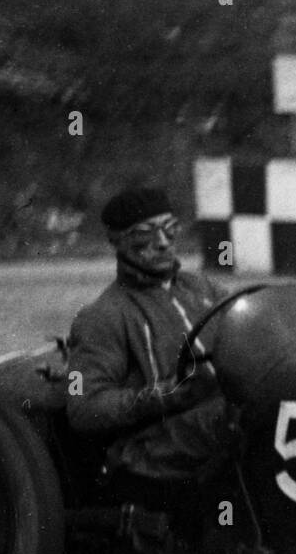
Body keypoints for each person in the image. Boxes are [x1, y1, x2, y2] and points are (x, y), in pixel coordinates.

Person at [66, 186, 232, 485]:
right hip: (150, 445)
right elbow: (83, 407)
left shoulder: (204, 289)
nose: (163, 243)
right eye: (145, 235)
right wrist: (158, 396)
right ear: (117, 242)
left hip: (211, 420)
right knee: (247, 418)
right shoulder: (103, 315)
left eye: (171, 230)